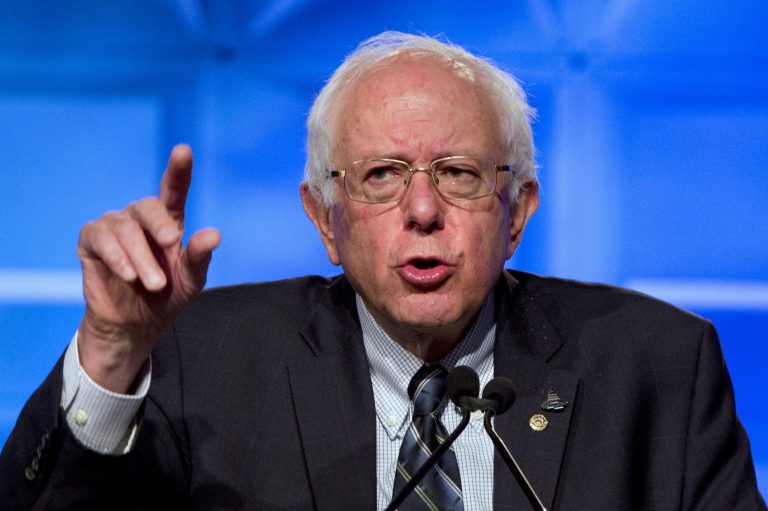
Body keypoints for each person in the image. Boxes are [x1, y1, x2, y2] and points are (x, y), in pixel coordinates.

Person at [0, 31, 765, 510]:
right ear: (324, 218)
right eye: (381, 175)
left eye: (460, 173)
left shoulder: (661, 370)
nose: (423, 209)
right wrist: (109, 352)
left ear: (519, 212)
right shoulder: (197, 358)